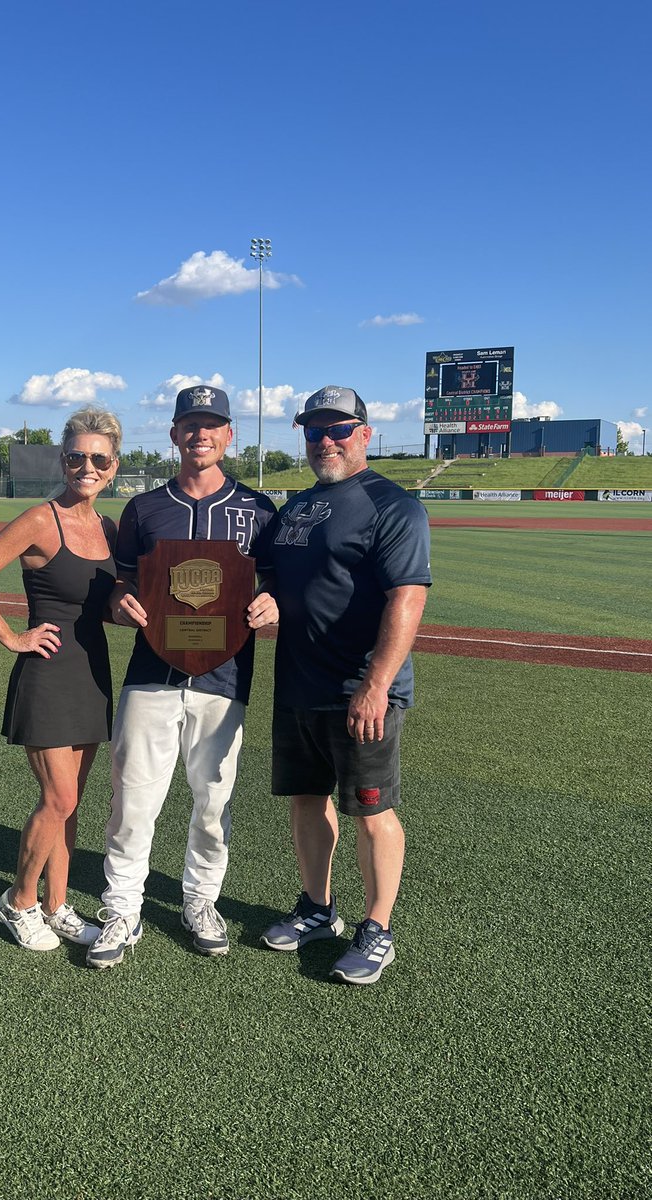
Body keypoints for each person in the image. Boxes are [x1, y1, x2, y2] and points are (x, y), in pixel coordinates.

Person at [86, 384, 279, 969]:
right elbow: (121, 584)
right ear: (173, 434)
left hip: (226, 678)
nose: (200, 433)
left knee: (213, 802)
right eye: (189, 424)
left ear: (228, 434)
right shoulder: (144, 509)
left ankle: (201, 901)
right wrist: (119, 603)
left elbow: (272, 584)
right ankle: (122, 908)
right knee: (133, 799)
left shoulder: (259, 510)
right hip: (151, 674)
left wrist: (274, 602)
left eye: (212, 424)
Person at [260, 386, 431, 984]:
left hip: (361, 690)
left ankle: (378, 928)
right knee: (307, 800)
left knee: (370, 810)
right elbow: (271, 578)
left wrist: (377, 683)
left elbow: (407, 596)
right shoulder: (298, 507)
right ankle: (316, 908)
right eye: (313, 431)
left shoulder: (393, 505)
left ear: (364, 433)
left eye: (338, 429)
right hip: (299, 685)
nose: (325, 441)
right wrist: (265, 600)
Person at [0, 408, 121, 951]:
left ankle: (57, 904)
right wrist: (12, 637)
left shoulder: (109, 528)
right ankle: (18, 901)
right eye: (76, 456)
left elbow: (108, 604)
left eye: (98, 458)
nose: (86, 466)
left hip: (92, 674)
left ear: (113, 466)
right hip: (47, 674)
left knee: (71, 804)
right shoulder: (39, 521)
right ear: (63, 460)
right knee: (58, 799)